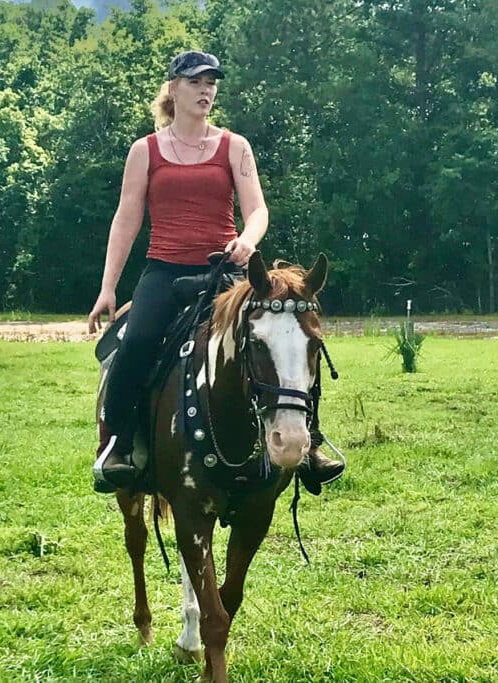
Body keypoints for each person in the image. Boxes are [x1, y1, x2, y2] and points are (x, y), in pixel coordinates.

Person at [88, 50, 343, 494]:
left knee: (286, 341)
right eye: (196, 82)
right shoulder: (144, 151)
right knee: (137, 343)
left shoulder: (234, 146)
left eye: (211, 83)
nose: (206, 90)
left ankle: (311, 443)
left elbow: (257, 208)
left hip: (225, 273)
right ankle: (120, 447)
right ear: (173, 89)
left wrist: (248, 240)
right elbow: (126, 219)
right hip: (164, 271)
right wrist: (108, 286)